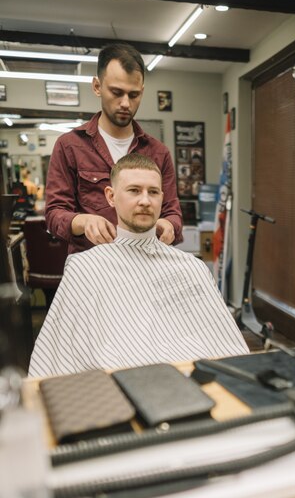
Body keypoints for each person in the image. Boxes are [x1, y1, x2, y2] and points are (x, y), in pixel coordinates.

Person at [29, 154, 248, 377]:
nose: (145, 201)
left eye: (153, 192)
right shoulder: (85, 267)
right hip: (124, 379)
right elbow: (60, 357)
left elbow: (226, 345)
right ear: (111, 196)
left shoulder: (191, 267)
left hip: (196, 374)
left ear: (162, 198)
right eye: (134, 190)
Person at [45, 43, 183, 255]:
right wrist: (83, 221)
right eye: (117, 92)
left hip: (145, 267)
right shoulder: (70, 146)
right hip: (92, 269)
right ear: (97, 87)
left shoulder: (158, 152)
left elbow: (173, 213)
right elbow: (55, 215)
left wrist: (169, 225)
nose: (126, 103)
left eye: (134, 95)